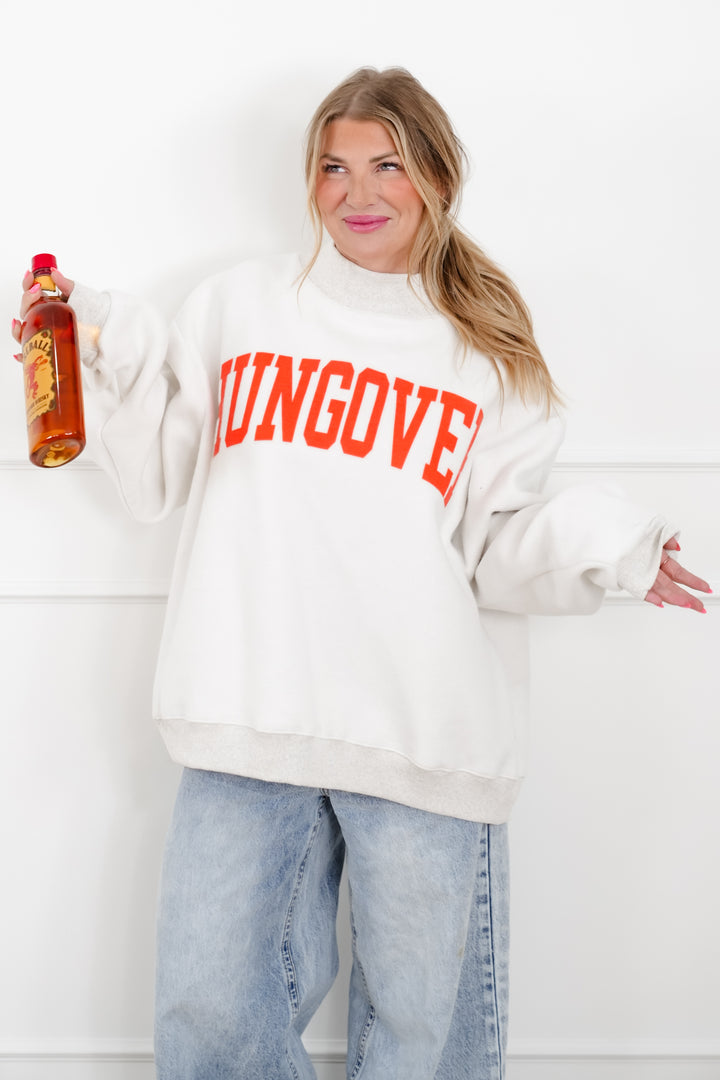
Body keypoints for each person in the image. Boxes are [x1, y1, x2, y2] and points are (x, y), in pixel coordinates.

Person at [12, 67, 710, 1080]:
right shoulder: (242, 307)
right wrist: (96, 344)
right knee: (210, 1010)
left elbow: (497, 544)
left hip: (422, 726)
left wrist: (615, 548)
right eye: (334, 168)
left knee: (426, 1037)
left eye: (388, 165)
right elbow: (158, 472)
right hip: (248, 709)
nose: (358, 193)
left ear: (437, 176)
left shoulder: (485, 352)